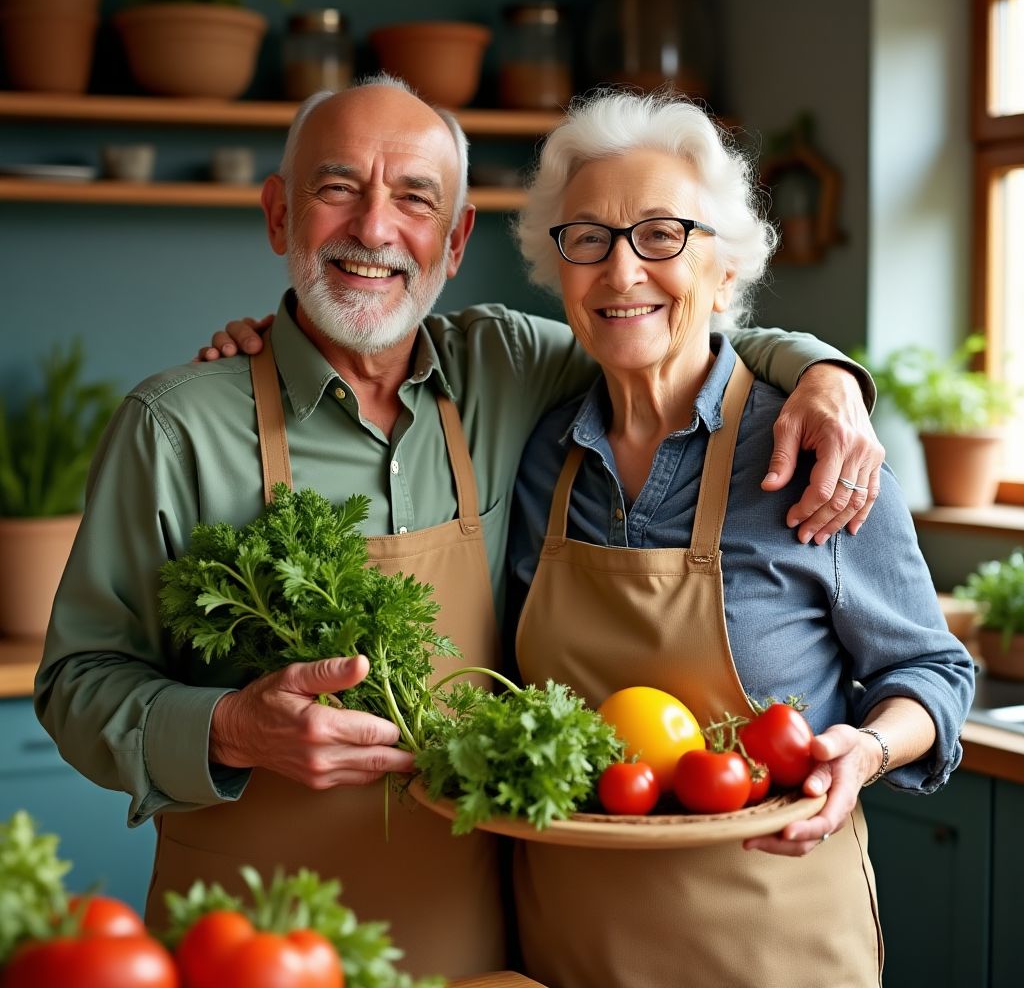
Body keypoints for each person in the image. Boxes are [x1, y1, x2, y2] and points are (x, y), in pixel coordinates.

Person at [36, 76, 883, 980]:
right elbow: (76, 683)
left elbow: (669, 327)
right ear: (280, 216)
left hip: (475, 943)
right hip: (251, 937)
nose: (373, 228)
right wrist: (232, 728)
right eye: (335, 189)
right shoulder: (172, 427)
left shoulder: (506, 365)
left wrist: (829, 376)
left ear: (456, 238)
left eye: (414, 198)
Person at [501, 89, 976, 988]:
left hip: (774, 942)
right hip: (569, 943)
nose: (621, 270)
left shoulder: (819, 454)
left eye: (663, 234)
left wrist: (867, 749)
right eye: (588, 238)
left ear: (726, 272)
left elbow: (936, 672)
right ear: (555, 270)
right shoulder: (535, 456)